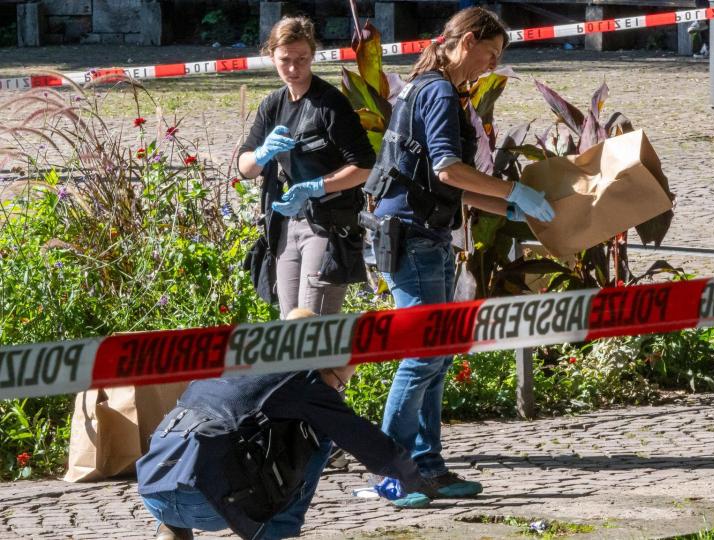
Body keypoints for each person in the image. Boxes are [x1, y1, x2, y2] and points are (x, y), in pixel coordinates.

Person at [363, 7, 556, 497]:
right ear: (467, 41)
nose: (489, 67)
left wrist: (503, 205)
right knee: (424, 354)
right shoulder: (440, 92)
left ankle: (427, 465)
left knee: (437, 353)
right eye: (489, 55)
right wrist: (513, 191)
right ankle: (394, 471)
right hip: (415, 238)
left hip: (418, 232)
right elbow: (450, 169)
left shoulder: (426, 86)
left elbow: (441, 183)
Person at [137, 309, 435, 540]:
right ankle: (276, 533)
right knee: (321, 436)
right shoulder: (304, 378)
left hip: (153, 486)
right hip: (207, 503)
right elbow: (367, 443)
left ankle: (171, 529)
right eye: (341, 383)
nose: (339, 391)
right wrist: (416, 479)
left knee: (198, 444)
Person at [238, 16, 375, 319]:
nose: (293, 68)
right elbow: (244, 167)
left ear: (313, 55)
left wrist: (315, 186)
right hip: (287, 223)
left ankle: (325, 369)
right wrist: (261, 154)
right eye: (285, 60)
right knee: (291, 324)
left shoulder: (330, 104)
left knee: (312, 325)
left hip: (327, 224)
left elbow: (365, 166)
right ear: (271, 55)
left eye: (302, 59)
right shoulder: (273, 104)